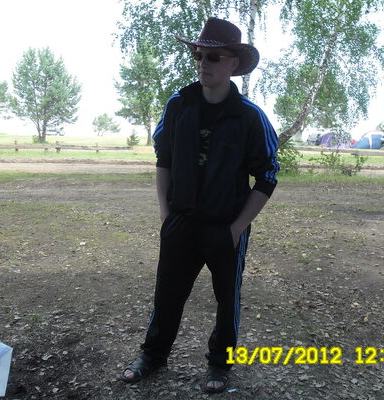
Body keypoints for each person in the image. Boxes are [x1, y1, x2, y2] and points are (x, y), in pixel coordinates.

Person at [122, 17, 280, 394]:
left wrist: (236, 229)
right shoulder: (179, 105)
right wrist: (166, 216)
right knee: (167, 294)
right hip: (180, 220)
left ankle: (220, 364)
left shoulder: (250, 117)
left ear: (233, 64)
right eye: (198, 55)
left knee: (227, 300)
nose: (202, 63)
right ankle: (152, 356)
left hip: (225, 226)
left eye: (213, 57)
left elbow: (267, 177)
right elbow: (163, 160)